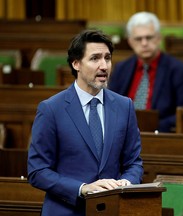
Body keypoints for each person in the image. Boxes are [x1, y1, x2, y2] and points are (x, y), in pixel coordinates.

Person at [27, 30, 143, 216]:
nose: (104, 66)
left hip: (112, 210)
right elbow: (38, 171)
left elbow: (133, 163)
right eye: (95, 58)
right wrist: (82, 188)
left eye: (107, 58)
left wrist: (126, 184)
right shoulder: (51, 109)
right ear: (76, 64)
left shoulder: (124, 106)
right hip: (66, 210)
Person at [108, 11, 183, 132]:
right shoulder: (121, 68)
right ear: (130, 42)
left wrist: (151, 127)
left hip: (160, 135)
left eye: (149, 37)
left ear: (159, 38)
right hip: (122, 134)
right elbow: (110, 105)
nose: (144, 43)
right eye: (138, 39)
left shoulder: (178, 70)